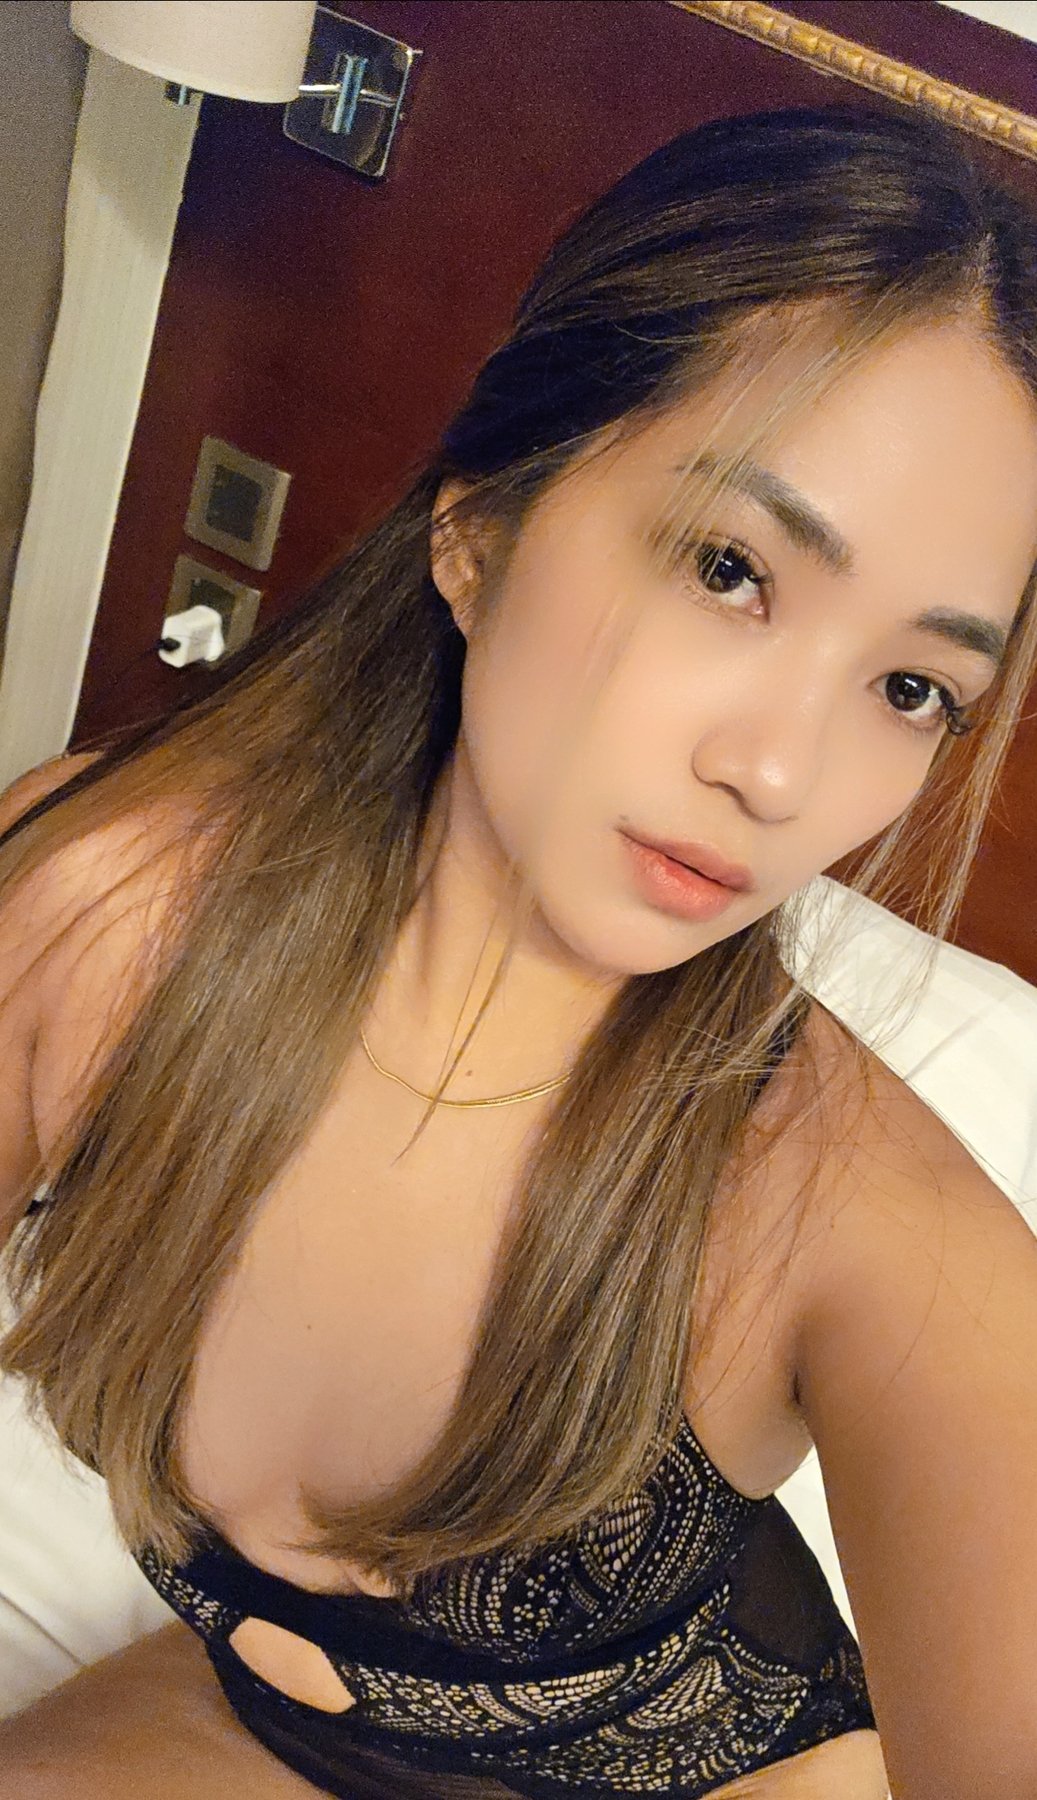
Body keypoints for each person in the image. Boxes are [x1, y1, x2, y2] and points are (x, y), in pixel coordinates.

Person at [0, 101, 1036, 1800]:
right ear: (479, 524)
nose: (780, 776)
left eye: (911, 686)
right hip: (265, 1726)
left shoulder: (870, 1237)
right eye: (729, 568)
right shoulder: (99, 914)